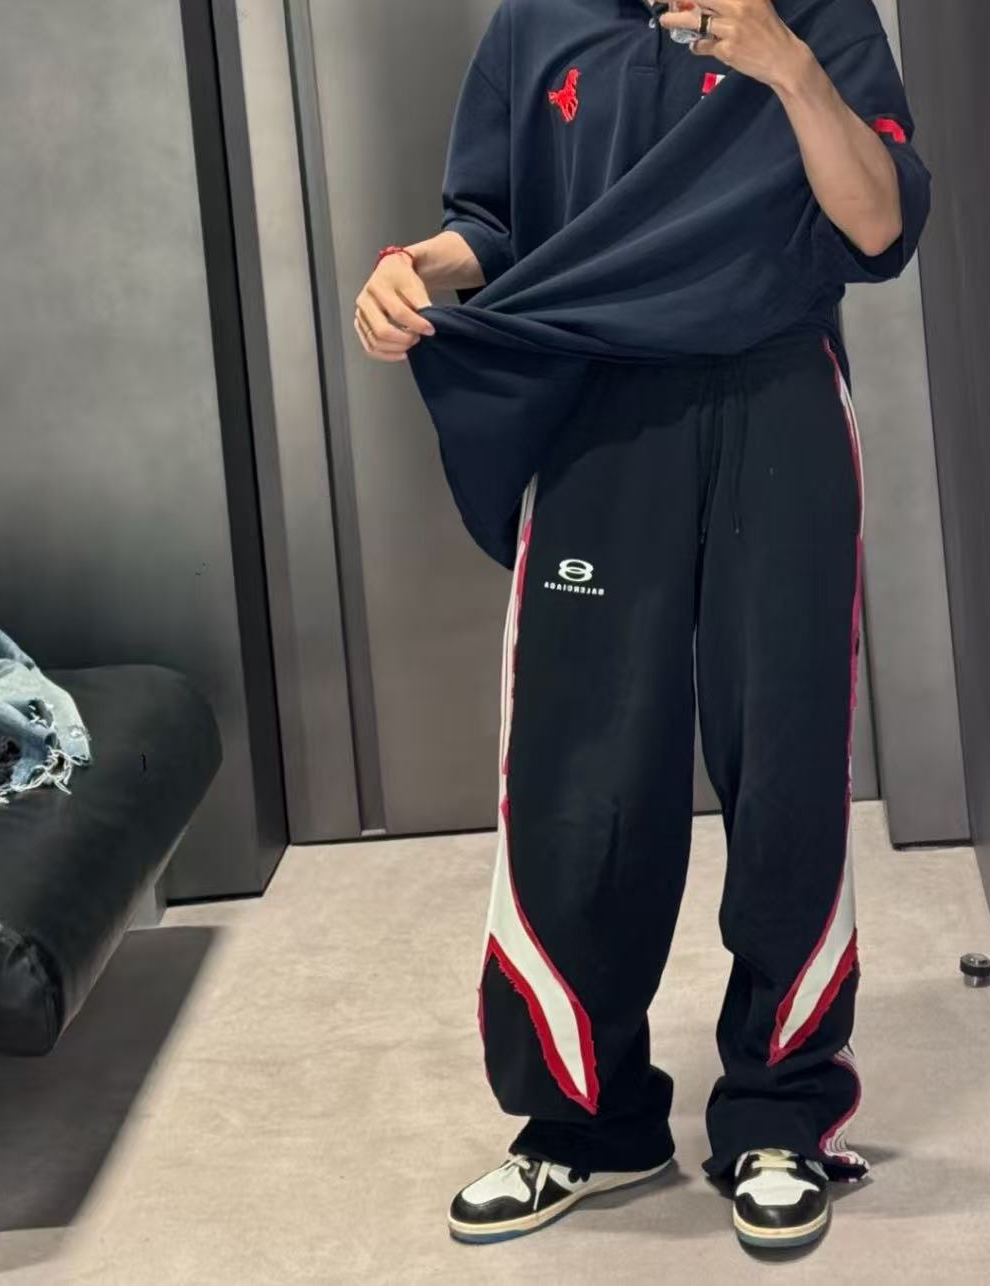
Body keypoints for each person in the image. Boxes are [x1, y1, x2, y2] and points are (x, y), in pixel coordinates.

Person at [354, 0, 929, 1253]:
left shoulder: (812, 11)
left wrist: (782, 62)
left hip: (774, 387)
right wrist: (414, 272)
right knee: (578, 771)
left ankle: (780, 1109)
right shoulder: (535, 23)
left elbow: (879, 224)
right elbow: (490, 225)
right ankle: (586, 1122)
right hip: (598, 413)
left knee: (785, 764)